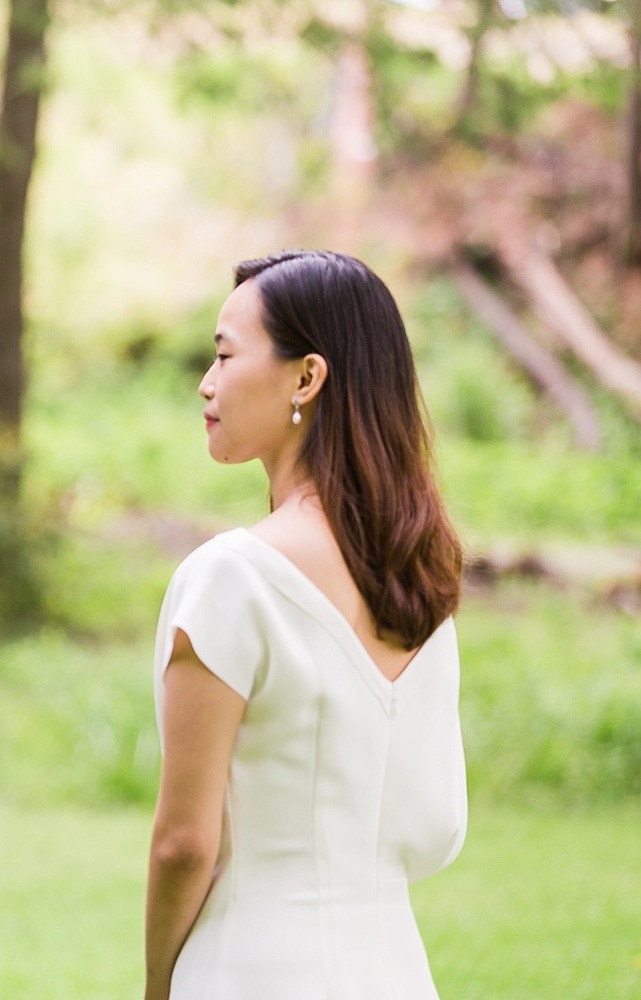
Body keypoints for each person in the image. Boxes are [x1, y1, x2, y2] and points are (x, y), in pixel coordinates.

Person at [145, 250, 467, 999]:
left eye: (226, 355)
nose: (207, 381)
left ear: (306, 376)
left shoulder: (233, 578)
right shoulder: (419, 583)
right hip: (395, 967)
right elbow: (438, 826)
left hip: (250, 967)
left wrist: (160, 986)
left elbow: (184, 845)